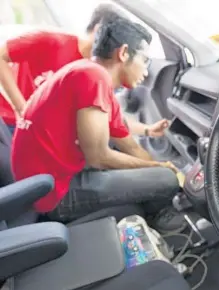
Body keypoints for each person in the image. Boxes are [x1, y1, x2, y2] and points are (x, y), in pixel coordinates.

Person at [11, 17, 186, 232]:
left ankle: (146, 211)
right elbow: (98, 157)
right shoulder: (92, 77)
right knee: (165, 179)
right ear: (123, 53)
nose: (146, 71)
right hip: (53, 194)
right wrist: (160, 169)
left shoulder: (86, 71)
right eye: (145, 60)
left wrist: (150, 142)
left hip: (46, 181)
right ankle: (161, 226)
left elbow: (128, 144)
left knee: (157, 172)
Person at [0, 3, 169, 137]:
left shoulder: (96, 72)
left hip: (37, 130)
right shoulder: (52, 41)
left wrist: (147, 130)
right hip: (6, 118)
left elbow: (109, 118)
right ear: (98, 29)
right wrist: (22, 109)